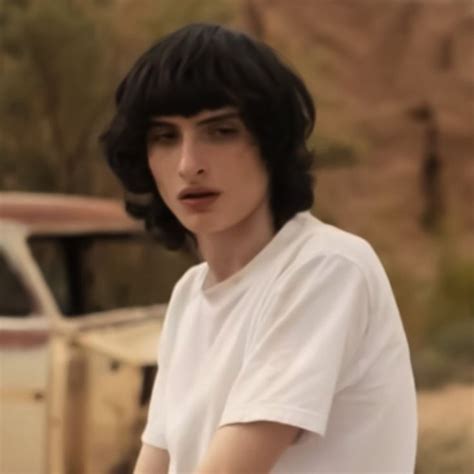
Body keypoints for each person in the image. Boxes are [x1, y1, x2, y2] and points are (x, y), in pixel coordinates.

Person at [101, 23, 417, 474]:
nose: (190, 165)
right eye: (165, 137)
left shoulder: (326, 267)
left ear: (270, 143)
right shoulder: (190, 296)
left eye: (221, 131)